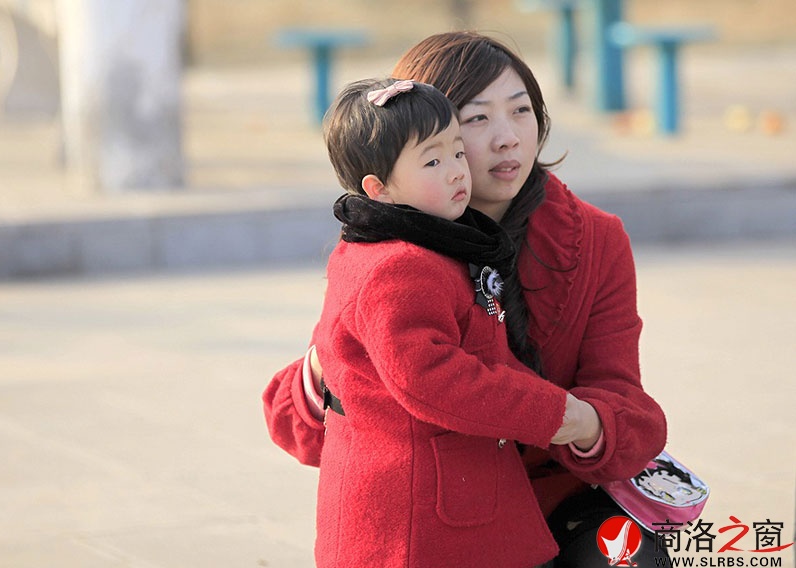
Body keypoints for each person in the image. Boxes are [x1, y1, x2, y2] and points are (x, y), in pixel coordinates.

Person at [263, 31, 669, 567]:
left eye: (521, 110)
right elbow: (300, 423)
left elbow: (629, 409)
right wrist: (342, 355)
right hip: (435, 515)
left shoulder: (594, 238)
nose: (508, 138)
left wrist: (580, 421)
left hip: (557, 501)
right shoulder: (390, 252)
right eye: (476, 119)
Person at [304, 76, 596, 568]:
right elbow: (432, 377)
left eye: (457, 152)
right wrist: (554, 413)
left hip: (453, 500)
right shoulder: (396, 266)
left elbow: (484, 354)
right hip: (415, 518)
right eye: (432, 162)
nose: (458, 170)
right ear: (380, 189)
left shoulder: (430, 245)